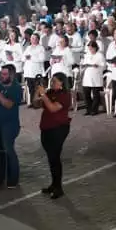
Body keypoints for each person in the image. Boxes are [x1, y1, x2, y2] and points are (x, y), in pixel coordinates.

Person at [36, 72, 72, 200]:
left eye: (55, 81)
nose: (52, 83)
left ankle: (58, 187)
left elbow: (52, 108)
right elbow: (36, 104)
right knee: (51, 158)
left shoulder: (65, 95)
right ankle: (54, 184)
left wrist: (43, 95)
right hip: (46, 128)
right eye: (51, 81)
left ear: (62, 83)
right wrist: (38, 91)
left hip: (58, 129)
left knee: (54, 157)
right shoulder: (50, 92)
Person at [80, 40, 106, 115]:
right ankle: (88, 109)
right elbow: (84, 64)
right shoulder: (87, 55)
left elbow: (104, 65)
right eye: (89, 48)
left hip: (96, 76)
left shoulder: (100, 55)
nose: (90, 50)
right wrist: (84, 65)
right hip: (87, 76)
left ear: (95, 47)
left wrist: (97, 65)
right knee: (86, 94)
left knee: (95, 95)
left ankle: (94, 110)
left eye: (91, 48)